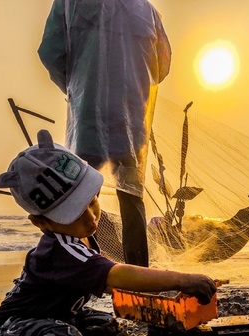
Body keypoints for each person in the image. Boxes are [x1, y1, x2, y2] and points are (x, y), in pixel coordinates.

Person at [0, 130, 216, 336]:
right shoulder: (59, 252)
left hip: (59, 315)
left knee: (104, 326)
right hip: (15, 326)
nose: (91, 217)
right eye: (73, 214)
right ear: (40, 222)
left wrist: (166, 293)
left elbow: (117, 278)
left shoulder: (85, 234)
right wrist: (181, 279)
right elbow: (117, 277)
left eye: (92, 201)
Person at [38, 0, 172, 268]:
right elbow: (162, 65)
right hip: (132, 120)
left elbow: (51, 54)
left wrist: (77, 86)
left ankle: (82, 267)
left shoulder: (69, 3)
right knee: (132, 199)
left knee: (79, 195)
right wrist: (134, 85)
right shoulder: (145, 9)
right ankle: (138, 273)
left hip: (88, 114)